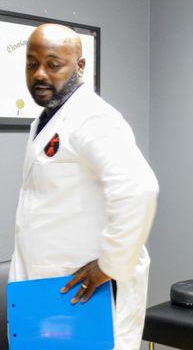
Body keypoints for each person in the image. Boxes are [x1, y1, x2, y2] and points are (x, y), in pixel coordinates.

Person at [9, 23, 159, 350]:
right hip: (50, 290)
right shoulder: (46, 120)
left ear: (80, 66)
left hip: (87, 294)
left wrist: (111, 265)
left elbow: (139, 189)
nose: (40, 74)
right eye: (32, 63)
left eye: (53, 63)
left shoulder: (93, 118)